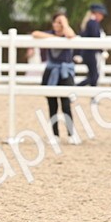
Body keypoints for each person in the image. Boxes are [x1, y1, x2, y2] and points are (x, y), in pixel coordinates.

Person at [32, 12, 79, 142]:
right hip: (51, 71)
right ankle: (54, 134)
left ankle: (71, 134)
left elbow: (71, 35)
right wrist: (53, 37)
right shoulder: (49, 34)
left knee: (66, 105)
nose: (58, 24)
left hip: (65, 73)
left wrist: (65, 24)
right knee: (52, 105)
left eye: (61, 22)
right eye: (56, 21)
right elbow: (35, 33)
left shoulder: (67, 35)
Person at [76, 3, 107, 87]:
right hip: (90, 53)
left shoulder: (89, 22)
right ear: (96, 13)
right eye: (101, 14)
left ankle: (92, 95)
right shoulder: (93, 23)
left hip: (88, 52)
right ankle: (76, 87)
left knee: (93, 75)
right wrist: (101, 50)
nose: (102, 17)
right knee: (94, 76)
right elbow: (95, 38)